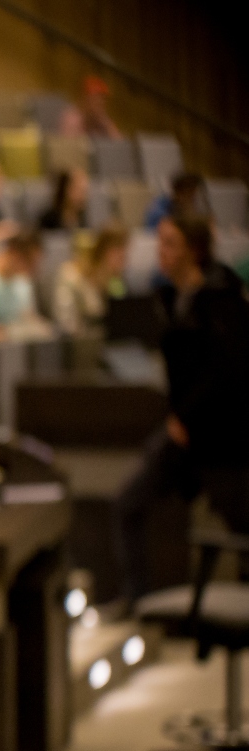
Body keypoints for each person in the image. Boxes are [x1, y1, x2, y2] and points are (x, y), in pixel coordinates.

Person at [117, 213, 249, 607]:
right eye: (160, 242)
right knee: (128, 504)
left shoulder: (223, 301)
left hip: (222, 440)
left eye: (170, 243)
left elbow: (230, 372)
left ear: (194, 250)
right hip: (184, 434)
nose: (161, 252)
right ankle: (137, 600)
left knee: (243, 531)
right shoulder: (173, 299)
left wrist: (186, 417)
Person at [51, 225, 127, 339]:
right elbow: (67, 324)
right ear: (102, 250)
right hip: (80, 345)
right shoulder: (71, 276)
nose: (124, 257)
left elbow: (123, 319)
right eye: (118, 250)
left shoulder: (115, 281)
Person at [79, 74, 121, 140]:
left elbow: (120, 145)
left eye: (103, 100)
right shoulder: (74, 120)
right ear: (87, 99)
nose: (101, 103)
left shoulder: (103, 122)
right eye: (96, 99)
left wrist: (107, 123)